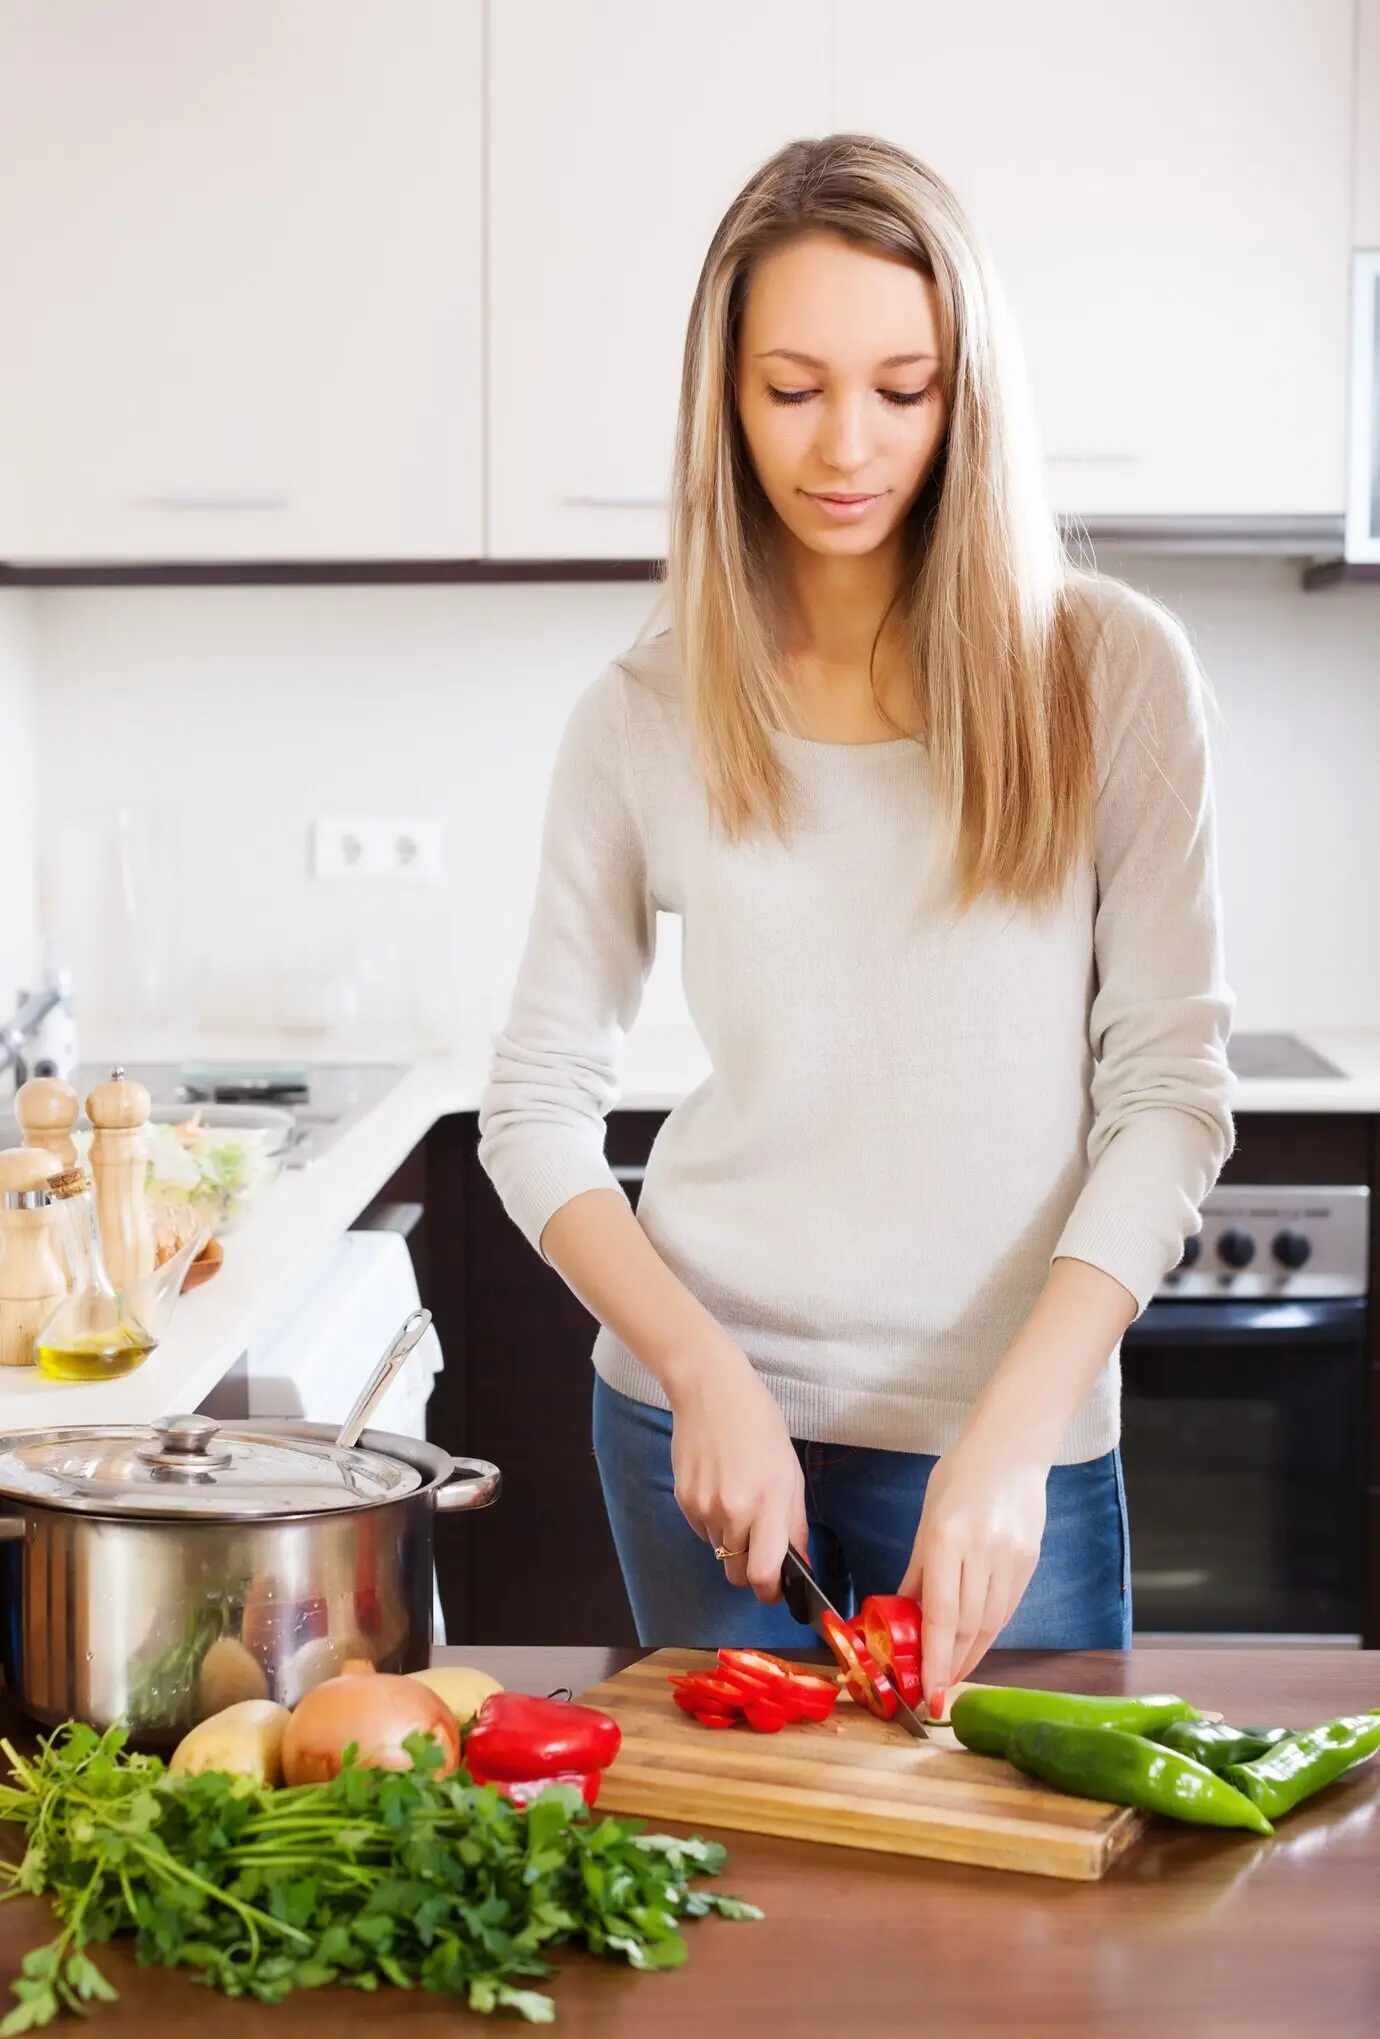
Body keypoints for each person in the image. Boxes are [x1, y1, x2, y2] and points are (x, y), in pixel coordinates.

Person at [477, 134, 1233, 1709]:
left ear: (970, 398)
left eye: (904, 388)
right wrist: (698, 1369)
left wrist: (1012, 1438)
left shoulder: (1112, 674)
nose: (846, 445)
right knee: (739, 1865)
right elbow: (534, 1105)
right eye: (791, 387)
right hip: (702, 1434)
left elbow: (1168, 1098)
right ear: (725, 397)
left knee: (1016, 1869)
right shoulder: (645, 713)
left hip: (1009, 1444)